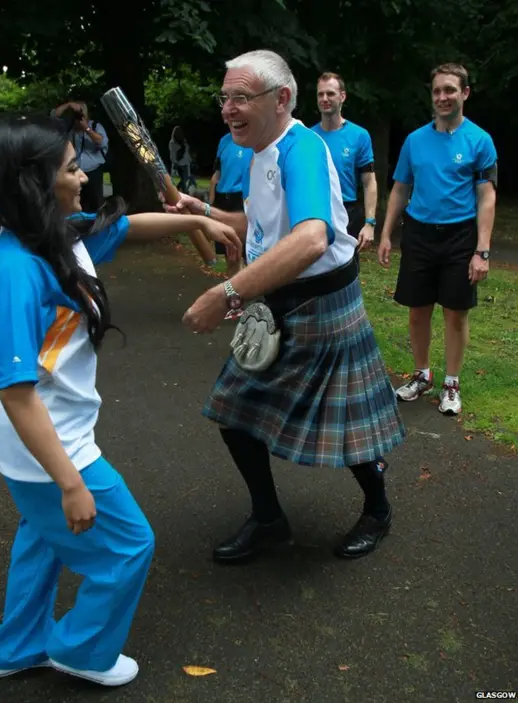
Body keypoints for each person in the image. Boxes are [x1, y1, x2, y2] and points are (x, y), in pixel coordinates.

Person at [0, 116, 239, 686]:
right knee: (128, 546)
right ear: (37, 181)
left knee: (43, 542)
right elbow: (17, 393)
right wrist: (70, 483)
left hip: (51, 440)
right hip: (49, 447)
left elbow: (124, 226)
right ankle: (82, 650)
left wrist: (197, 219)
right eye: (72, 169)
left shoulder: (56, 234)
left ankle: (17, 646)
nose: (83, 177)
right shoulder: (18, 271)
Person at [165, 50, 405, 563]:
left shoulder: (302, 150)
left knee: (347, 426)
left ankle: (379, 510)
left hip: (325, 306)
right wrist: (203, 211)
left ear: (282, 99)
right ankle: (270, 520)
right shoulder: (258, 151)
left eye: (240, 97)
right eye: (224, 97)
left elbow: (311, 239)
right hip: (279, 305)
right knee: (235, 411)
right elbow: (262, 228)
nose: (228, 108)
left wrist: (226, 293)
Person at [378, 63, 497, 416]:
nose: (442, 97)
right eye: (437, 91)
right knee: (418, 311)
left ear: (464, 93)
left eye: (449, 90)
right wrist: (386, 232)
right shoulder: (415, 141)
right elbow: (400, 188)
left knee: (456, 314)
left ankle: (451, 383)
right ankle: (423, 375)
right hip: (419, 233)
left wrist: (482, 251)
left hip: (460, 235)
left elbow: (486, 197)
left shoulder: (479, 140)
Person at [310, 72, 378, 259]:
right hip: (317, 210)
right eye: (320, 94)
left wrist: (369, 223)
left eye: (330, 94)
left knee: (347, 272)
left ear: (342, 96)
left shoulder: (359, 136)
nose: (324, 99)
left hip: (349, 213)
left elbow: (369, 181)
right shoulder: (308, 138)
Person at [209, 131, 254, 278]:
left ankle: (252, 288)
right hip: (222, 198)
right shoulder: (224, 140)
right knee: (230, 250)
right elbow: (217, 173)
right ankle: (233, 292)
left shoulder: (254, 138)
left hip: (243, 197)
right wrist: (211, 203)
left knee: (248, 251)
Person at [54, 101, 109, 213]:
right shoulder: (69, 129)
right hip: (76, 171)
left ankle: (101, 224)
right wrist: (68, 105)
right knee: (80, 202)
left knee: (99, 201)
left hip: (96, 171)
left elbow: (102, 142)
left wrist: (86, 129)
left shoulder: (95, 126)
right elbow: (54, 117)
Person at [169, 126, 197, 193]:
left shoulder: (183, 141)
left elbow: (187, 152)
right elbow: (173, 154)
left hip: (185, 163)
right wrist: (175, 163)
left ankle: (181, 190)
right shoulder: (172, 142)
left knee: (185, 179)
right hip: (180, 164)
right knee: (185, 179)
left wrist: (191, 161)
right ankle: (182, 191)